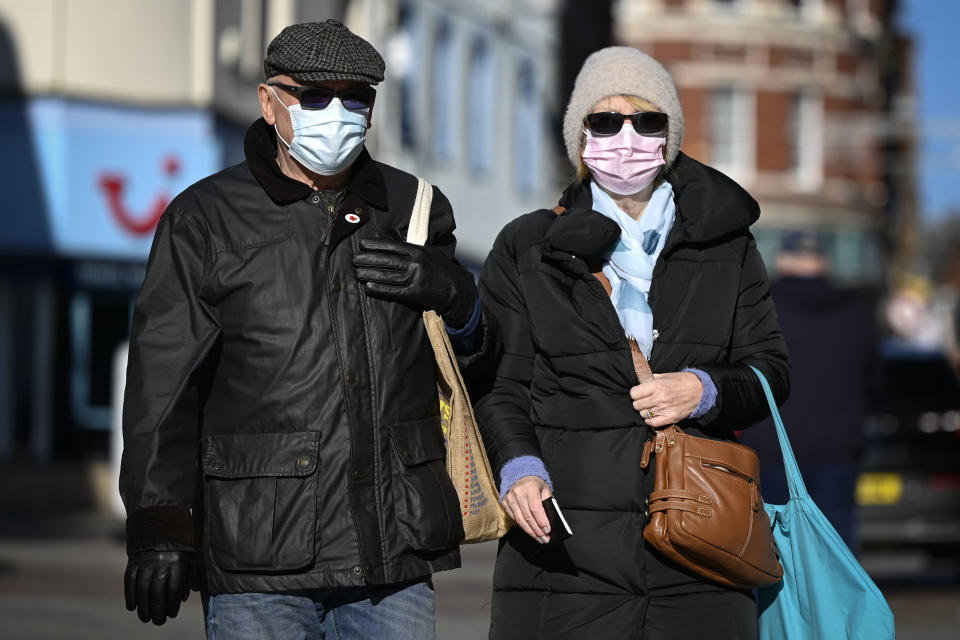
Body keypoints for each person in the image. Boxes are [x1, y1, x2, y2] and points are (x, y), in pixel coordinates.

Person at [119, 20, 499, 639]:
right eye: (317, 97)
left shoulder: (414, 208)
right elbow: (164, 384)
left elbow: (473, 369)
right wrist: (160, 523)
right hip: (260, 555)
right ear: (271, 102)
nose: (339, 114)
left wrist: (459, 300)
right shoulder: (204, 218)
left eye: (356, 98)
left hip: (391, 549)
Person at [474, 46, 790, 639]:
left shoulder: (728, 245)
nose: (627, 136)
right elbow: (499, 382)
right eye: (605, 120)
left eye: (647, 121)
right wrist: (518, 466)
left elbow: (772, 372)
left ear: (669, 136)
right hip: (565, 551)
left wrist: (703, 390)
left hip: (700, 546)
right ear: (580, 137)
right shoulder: (527, 246)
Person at [739, 231, 879, 552]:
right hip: (838, 448)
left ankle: (784, 604)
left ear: (783, 261)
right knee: (837, 550)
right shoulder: (856, 312)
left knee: (777, 553)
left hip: (772, 449)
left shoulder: (758, 310)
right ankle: (834, 604)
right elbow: (874, 380)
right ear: (823, 262)